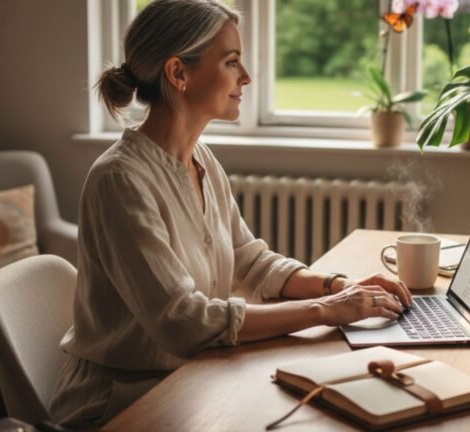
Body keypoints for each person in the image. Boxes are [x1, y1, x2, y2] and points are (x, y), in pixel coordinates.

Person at [49, 0, 412, 428]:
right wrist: (327, 308)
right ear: (178, 74)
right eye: (231, 61)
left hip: (189, 377)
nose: (246, 77)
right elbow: (181, 322)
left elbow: (250, 261)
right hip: (119, 404)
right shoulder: (120, 180)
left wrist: (343, 286)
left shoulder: (201, 160)